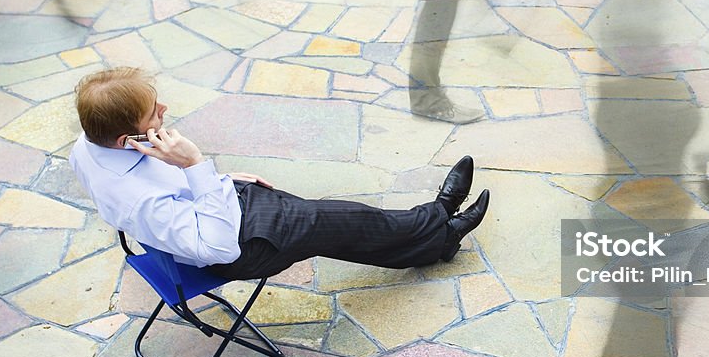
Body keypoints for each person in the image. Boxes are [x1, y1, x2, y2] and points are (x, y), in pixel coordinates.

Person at [69, 67, 490, 280]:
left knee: (343, 226)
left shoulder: (89, 145)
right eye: (153, 113)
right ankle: (439, 221)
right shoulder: (140, 199)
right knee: (343, 219)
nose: (164, 112)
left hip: (217, 205)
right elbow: (215, 248)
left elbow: (172, 192)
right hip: (234, 245)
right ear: (127, 139)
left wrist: (224, 181)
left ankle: (437, 237)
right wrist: (197, 167)